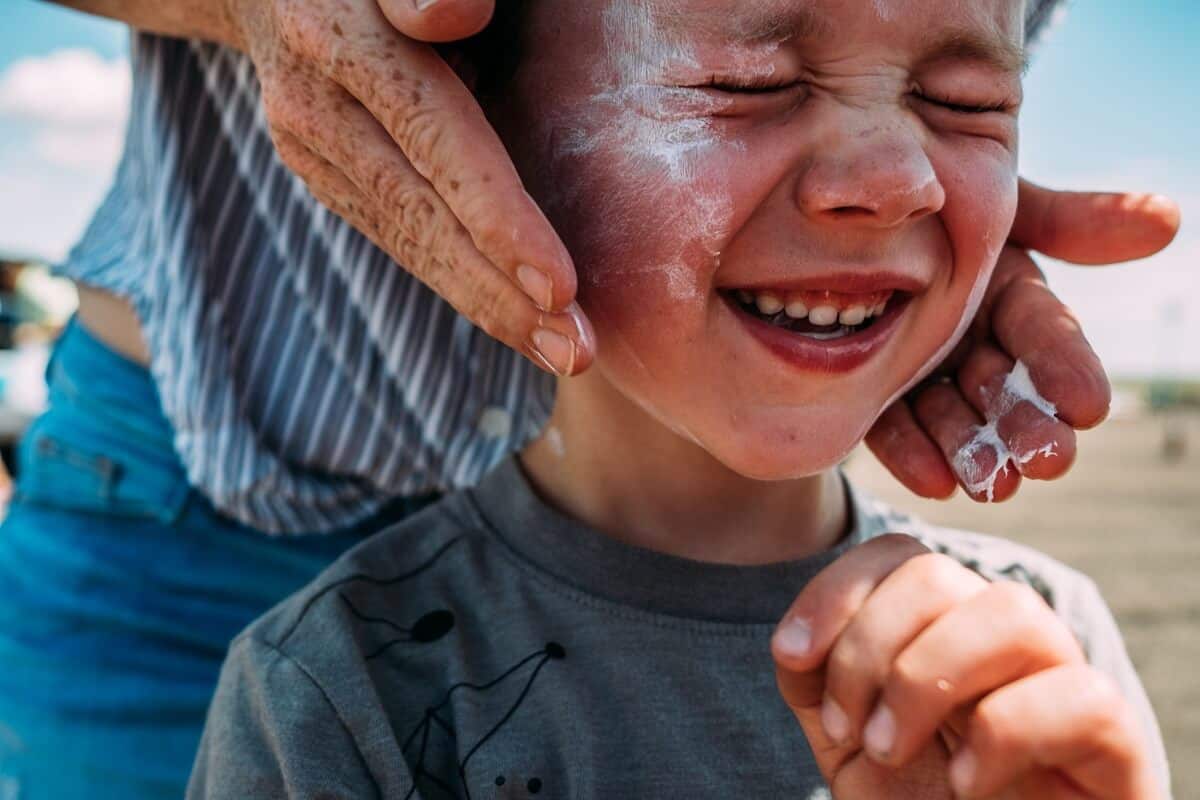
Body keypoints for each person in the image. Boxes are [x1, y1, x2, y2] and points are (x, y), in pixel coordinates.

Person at [0, 0, 1178, 797]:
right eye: (742, 81)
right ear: (479, 107)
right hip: (198, 477)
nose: (897, 178)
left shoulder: (1035, 647)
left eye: (968, 105)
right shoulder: (312, 687)